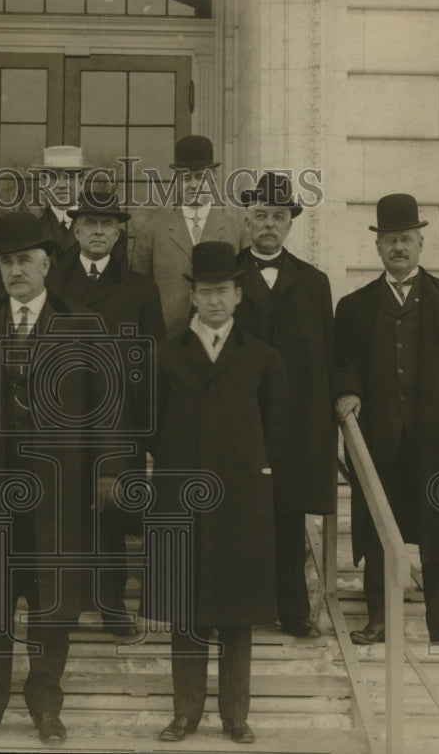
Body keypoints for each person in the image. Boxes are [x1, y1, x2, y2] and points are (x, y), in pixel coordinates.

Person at [0, 212, 115, 745]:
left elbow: (107, 410)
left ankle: (46, 706)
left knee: (52, 606)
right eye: (6, 262)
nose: (15, 271)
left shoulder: (82, 324)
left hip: (56, 494)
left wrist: (107, 473)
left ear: (46, 264)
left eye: (24, 261)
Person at [334, 193, 439, 649]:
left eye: (406, 239)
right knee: (379, 528)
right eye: (389, 240)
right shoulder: (354, 306)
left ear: (421, 243)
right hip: (378, 439)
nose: (398, 248)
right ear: (378, 248)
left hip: (438, 437)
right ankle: (379, 621)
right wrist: (347, 391)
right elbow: (343, 362)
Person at [148, 241, 288, 746]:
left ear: (238, 296)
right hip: (179, 500)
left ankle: (235, 715)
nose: (213, 301)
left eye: (222, 291)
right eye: (204, 291)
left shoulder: (262, 359)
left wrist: (258, 477)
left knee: (237, 613)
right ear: (192, 297)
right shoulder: (165, 356)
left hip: (241, 501)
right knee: (186, 611)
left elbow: (278, 429)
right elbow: (148, 427)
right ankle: (185, 712)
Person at [47, 189, 166, 637]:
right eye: (90, 223)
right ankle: (62, 604)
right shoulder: (51, 281)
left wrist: (147, 430)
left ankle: (112, 604)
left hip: (120, 424)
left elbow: (151, 361)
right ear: (75, 229)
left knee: (111, 516)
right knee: (62, 515)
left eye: (108, 224)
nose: (98, 231)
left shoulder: (139, 288)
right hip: (59, 422)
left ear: (119, 234)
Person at [235, 172, 336, 639]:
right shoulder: (225, 276)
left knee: (289, 517)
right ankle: (241, 610)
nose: (269, 225)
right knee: (238, 517)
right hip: (240, 420)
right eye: (261, 216)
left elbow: (327, 355)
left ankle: (293, 613)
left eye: (278, 216)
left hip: (294, 425)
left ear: (291, 224)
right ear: (247, 220)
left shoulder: (314, 283)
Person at [129, 135, 247, 334]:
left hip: (221, 343)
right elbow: (137, 294)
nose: (193, 185)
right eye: (186, 178)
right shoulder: (153, 230)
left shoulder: (236, 230)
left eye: (201, 177)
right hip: (166, 343)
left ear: (214, 179)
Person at [30, 145, 128, 268]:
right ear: (43, 183)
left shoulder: (111, 235)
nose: (61, 185)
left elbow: (116, 282)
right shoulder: (32, 234)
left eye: (69, 177)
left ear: (81, 182)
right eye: (53, 177)